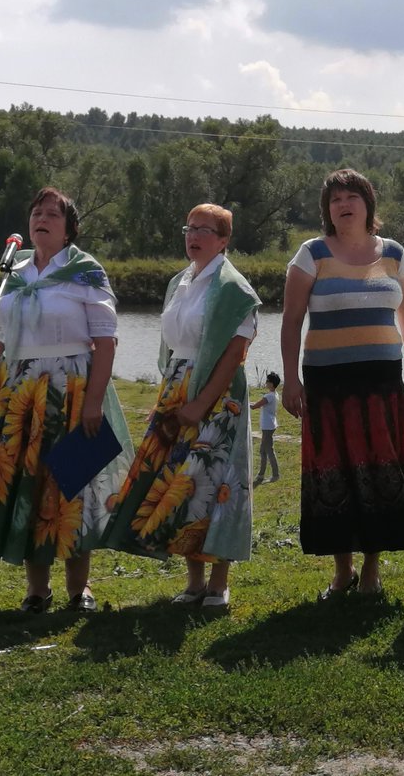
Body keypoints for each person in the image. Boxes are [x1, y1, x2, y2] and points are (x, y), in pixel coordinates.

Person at [0, 187, 133, 613]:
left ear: (69, 227)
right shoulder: (13, 273)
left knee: (73, 486)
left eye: (52, 214)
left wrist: (93, 403)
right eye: (36, 212)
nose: (42, 218)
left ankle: (79, 590)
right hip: (21, 393)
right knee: (30, 489)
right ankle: (37, 591)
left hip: (71, 390)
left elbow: (105, 342)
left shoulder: (85, 271)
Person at [101, 204, 259, 607]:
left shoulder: (234, 289)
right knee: (177, 481)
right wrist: (166, 399)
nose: (194, 235)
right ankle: (193, 581)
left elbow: (234, 354)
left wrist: (201, 403)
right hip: (176, 385)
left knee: (213, 482)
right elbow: (170, 348)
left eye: (205, 229)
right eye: (190, 227)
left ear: (223, 240)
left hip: (219, 397)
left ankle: (219, 582)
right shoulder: (179, 282)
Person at [281, 168, 404, 598]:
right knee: (334, 474)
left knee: (382, 471)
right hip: (328, 385)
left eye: (352, 197)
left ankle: (372, 570)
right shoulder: (311, 254)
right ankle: (341, 570)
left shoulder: (396, 255)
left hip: (382, 384)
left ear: (368, 204)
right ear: (328, 209)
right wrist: (291, 379)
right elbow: (290, 323)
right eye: (335, 199)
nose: (343, 205)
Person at [251, 371, 281, 485]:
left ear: (272, 384)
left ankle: (275, 475)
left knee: (268, 450)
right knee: (263, 450)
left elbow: (255, 406)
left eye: (268, 381)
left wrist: (247, 405)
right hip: (270, 425)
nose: (266, 382)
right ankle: (261, 474)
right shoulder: (275, 395)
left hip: (268, 426)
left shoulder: (269, 396)